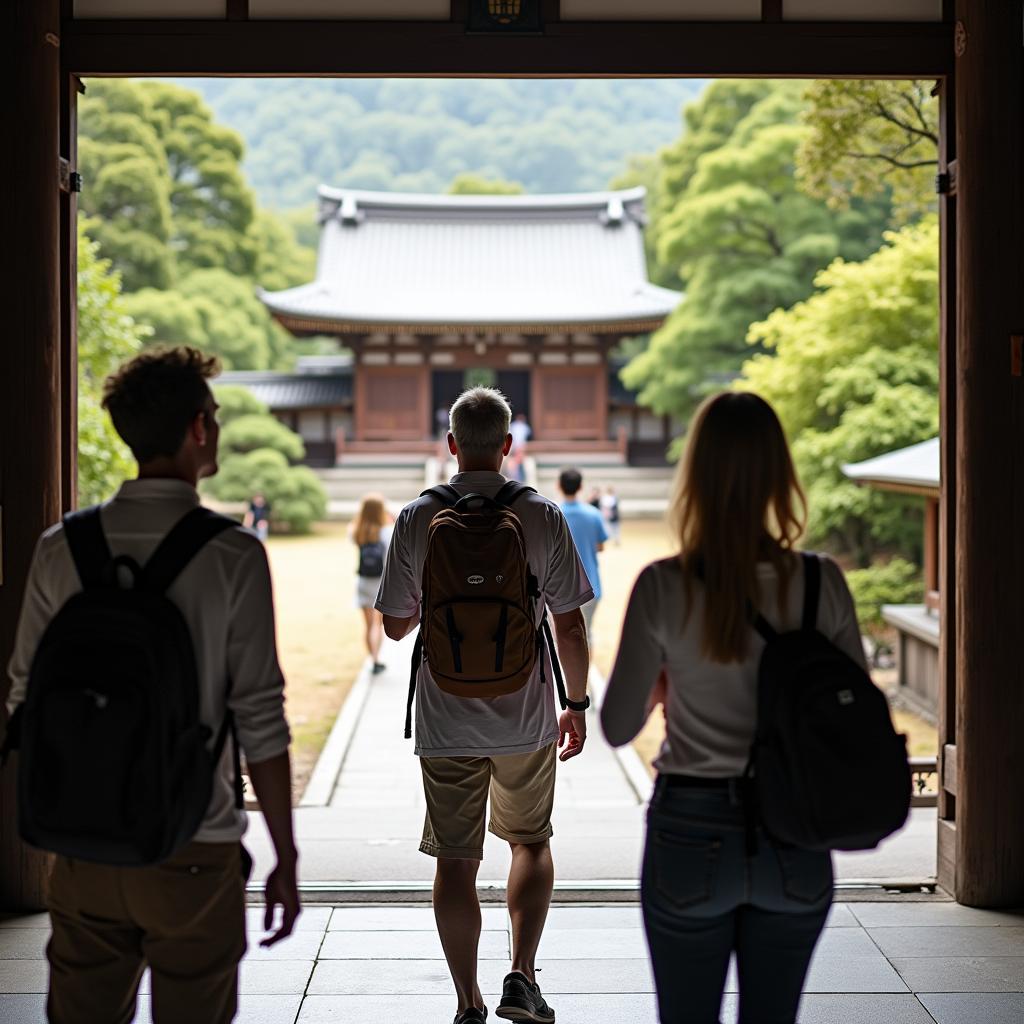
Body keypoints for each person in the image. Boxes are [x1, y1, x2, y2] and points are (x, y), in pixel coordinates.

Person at [6, 347, 300, 1024]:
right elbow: (260, 717)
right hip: (193, 841)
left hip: (80, 842)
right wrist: (283, 852)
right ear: (199, 428)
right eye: (216, 415)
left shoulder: (61, 546)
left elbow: (23, 694)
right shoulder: (232, 554)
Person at [600, 391, 867, 1024]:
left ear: (694, 473)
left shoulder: (664, 585)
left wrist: (665, 686)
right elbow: (856, 709)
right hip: (795, 829)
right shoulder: (820, 581)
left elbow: (615, 727)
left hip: (690, 823)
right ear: (781, 475)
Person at [376, 387, 593, 1024]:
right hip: (525, 713)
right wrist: (574, 703)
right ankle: (521, 978)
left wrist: (428, 605)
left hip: (445, 716)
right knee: (529, 840)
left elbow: (392, 626)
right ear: (506, 446)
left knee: (455, 858)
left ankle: (468, 1000)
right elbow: (571, 625)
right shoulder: (540, 514)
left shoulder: (418, 517)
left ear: (451, 445)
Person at [558, 467, 609, 642]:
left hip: (560, 587)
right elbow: (600, 547)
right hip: (590, 585)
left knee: (561, 635)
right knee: (586, 635)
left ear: (559, 486)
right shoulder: (593, 514)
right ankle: (586, 670)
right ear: (580, 487)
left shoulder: (553, 512)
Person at [349, 492, 394, 675]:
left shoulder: (356, 530)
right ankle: (376, 658)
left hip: (363, 581)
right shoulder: (386, 530)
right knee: (378, 625)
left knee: (368, 626)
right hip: (381, 582)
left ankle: (372, 659)